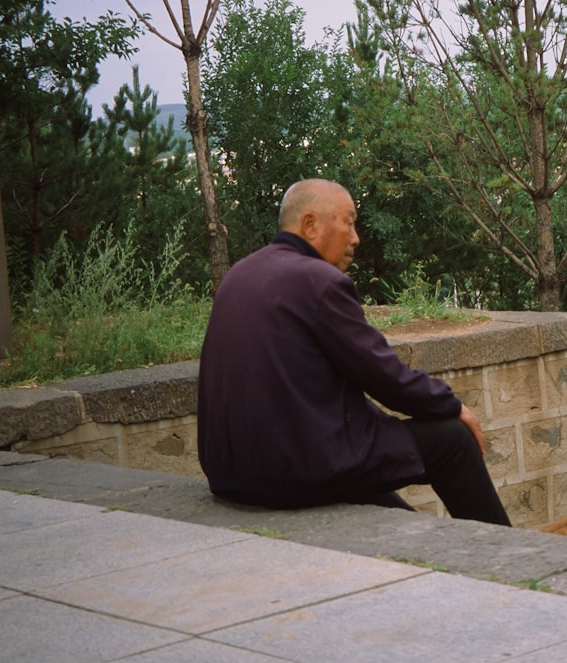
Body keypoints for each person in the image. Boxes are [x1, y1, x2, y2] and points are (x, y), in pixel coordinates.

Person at [197, 179, 510, 526]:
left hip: (232, 475)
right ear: (310, 224)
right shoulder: (319, 280)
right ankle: (511, 560)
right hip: (297, 471)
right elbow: (383, 374)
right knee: (453, 440)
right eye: (348, 222)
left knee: (395, 513)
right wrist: (452, 405)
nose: (356, 237)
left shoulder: (239, 274)